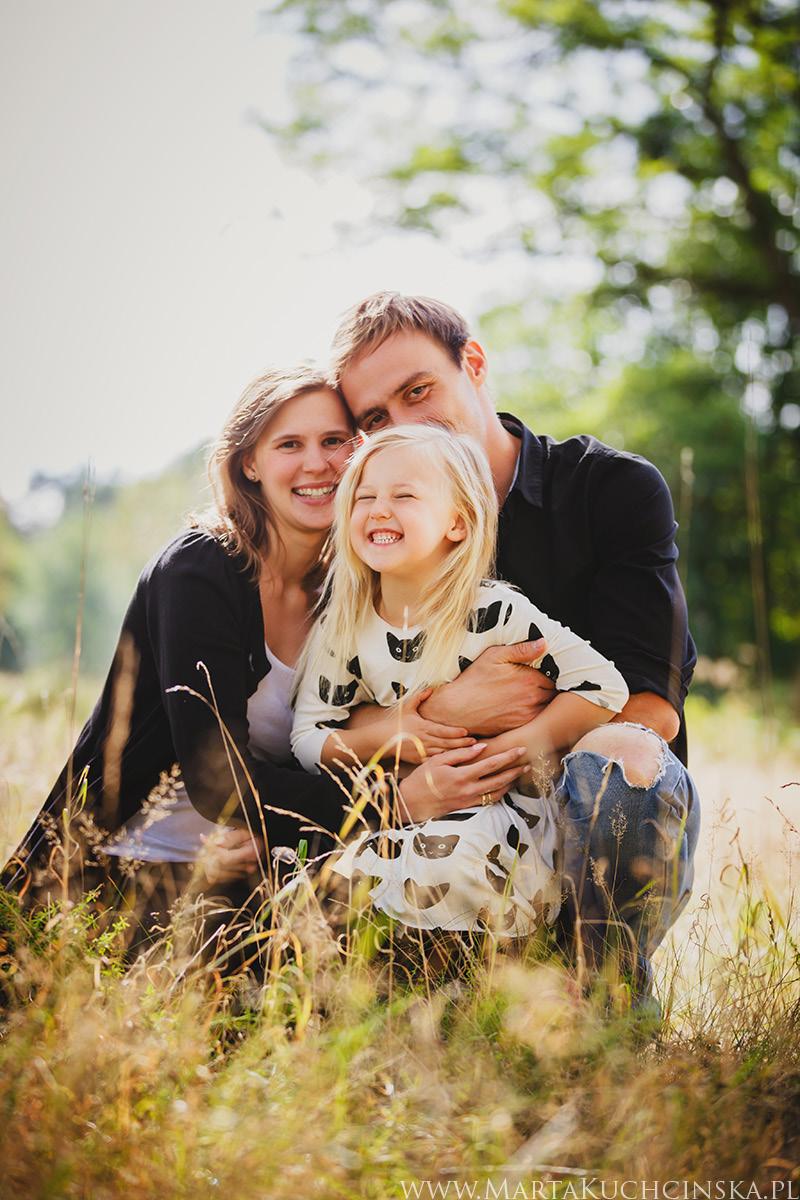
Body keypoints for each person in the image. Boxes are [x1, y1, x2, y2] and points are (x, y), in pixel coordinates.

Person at [3, 365, 527, 961]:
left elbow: (357, 734)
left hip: (271, 871)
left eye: (334, 442)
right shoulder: (201, 568)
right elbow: (218, 782)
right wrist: (399, 802)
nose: (316, 464)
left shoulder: (354, 584)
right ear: (249, 462)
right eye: (289, 445)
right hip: (126, 872)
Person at [326, 292, 701, 998]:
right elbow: (333, 721)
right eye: (375, 419)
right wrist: (450, 710)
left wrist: (487, 735)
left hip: (595, 819)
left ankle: (611, 1003)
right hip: (448, 827)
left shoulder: (611, 490)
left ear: (473, 363)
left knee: (619, 758)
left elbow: (649, 709)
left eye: (418, 391)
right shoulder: (374, 532)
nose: (405, 426)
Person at [292, 425, 631, 937]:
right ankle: (397, 991)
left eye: (403, 495)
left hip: (501, 819)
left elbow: (604, 689)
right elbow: (306, 739)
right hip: (407, 811)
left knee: (453, 859)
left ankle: (482, 978)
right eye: (365, 497)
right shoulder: (343, 629)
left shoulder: (495, 614)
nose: (379, 509)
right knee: (317, 888)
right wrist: (392, 734)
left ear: (457, 522)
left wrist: (510, 751)